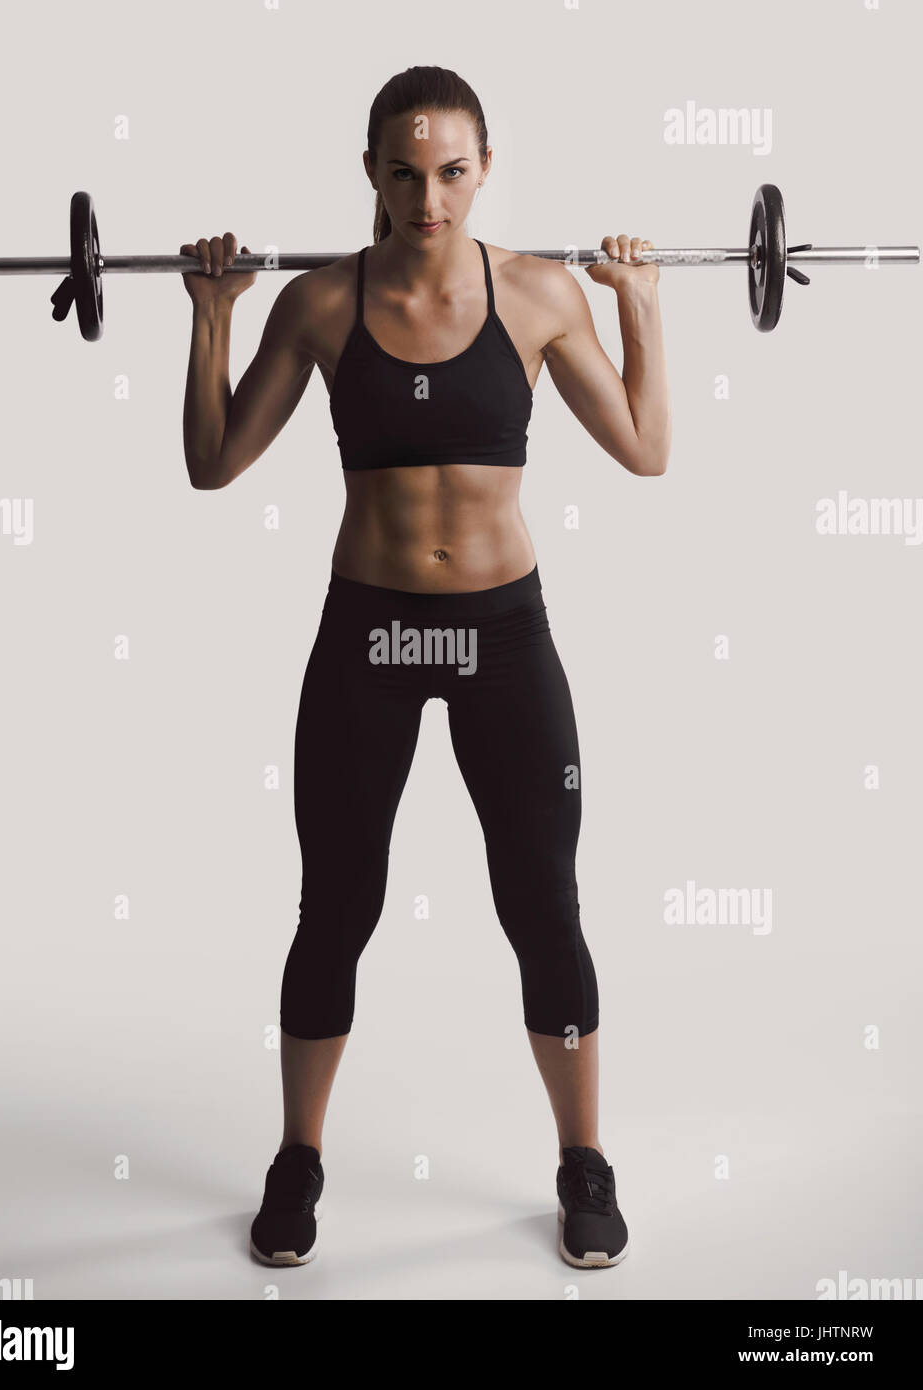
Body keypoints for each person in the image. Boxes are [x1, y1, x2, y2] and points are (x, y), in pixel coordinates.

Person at [180, 65, 670, 1272]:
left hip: (502, 636)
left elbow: (648, 451)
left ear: (485, 167)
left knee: (542, 908)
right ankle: (298, 1157)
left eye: (451, 170)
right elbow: (212, 463)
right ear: (370, 175)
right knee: (334, 907)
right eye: (404, 172)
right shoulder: (320, 303)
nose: (429, 195)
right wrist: (211, 313)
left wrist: (641, 304)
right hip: (372, 637)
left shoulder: (544, 293)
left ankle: (582, 1158)